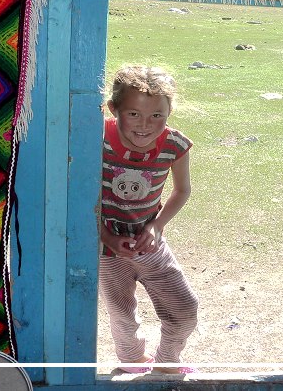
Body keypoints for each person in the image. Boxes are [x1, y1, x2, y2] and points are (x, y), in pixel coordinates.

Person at [99, 65, 198, 374]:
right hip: (104, 245)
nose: (145, 125)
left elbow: (182, 191)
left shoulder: (175, 145)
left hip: (150, 242)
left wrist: (156, 226)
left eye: (157, 116)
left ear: (169, 113)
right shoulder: (94, 138)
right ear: (114, 108)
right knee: (121, 313)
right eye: (133, 114)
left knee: (184, 309)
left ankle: (168, 363)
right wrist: (106, 236)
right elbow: (74, 193)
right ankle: (131, 361)